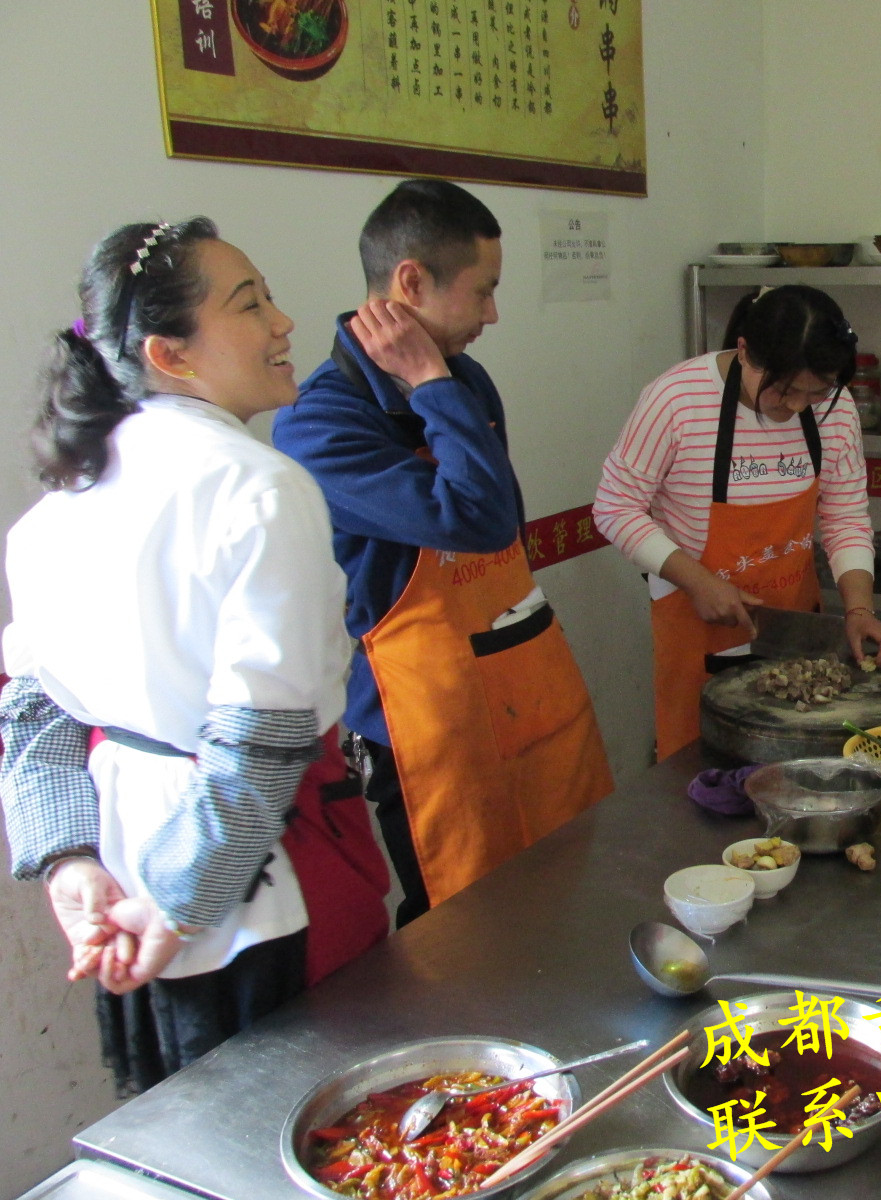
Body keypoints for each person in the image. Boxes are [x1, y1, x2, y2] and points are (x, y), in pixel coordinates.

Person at [0, 219, 387, 1093]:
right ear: (169, 353)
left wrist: (71, 865)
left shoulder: (62, 501)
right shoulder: (256, 484)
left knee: (185, 1127)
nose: (285, 323)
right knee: (303, 1130)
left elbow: (32, 716)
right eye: (251, 305)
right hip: (253, 894)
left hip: (124, 877)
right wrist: (178, 907)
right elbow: (260, 744)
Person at [275, 179, 612, 928]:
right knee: (460, 931)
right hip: (424, 722)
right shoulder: (320, 424)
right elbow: (481, 519)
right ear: (411, 282)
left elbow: (505, 522)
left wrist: (441, 384)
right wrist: (430, 382)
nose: (493, 314)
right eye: (483, 291)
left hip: (522, 677)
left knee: (562, 895)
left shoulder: (466, 380)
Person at [594, 285, 881, 760]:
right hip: (697, 627)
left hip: (794, 626)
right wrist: (698, 581)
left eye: (815, 390)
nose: (800, 405)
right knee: (702, 780)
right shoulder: (676, 400)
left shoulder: (834, 407)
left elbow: (844, 515)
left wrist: (860, 610)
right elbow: (615, 506)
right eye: (784, 389)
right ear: (744, 352)